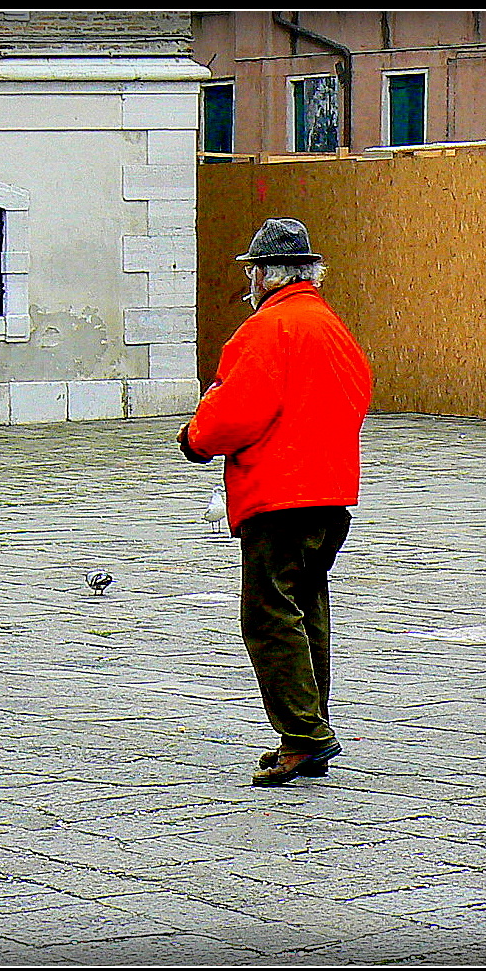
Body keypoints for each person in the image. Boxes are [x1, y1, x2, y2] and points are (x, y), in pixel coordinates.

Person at [177, 217, 372, 787]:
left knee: (268, 614)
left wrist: (195, 437)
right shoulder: (332, 327)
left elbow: (233, 410)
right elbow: (358, 394)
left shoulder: (267, 329)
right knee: (305, 606)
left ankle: (305, 738)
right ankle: (306, 728)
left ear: (262, 275)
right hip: (331, 493)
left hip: (279, 493)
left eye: (251, 272)